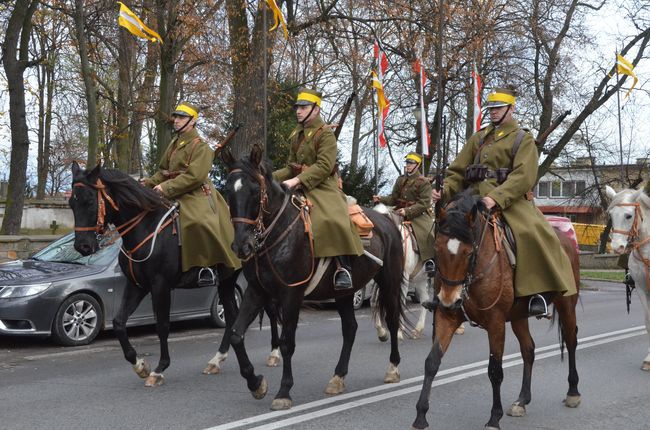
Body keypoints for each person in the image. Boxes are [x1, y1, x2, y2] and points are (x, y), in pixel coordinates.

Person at [431, 87, 577, 317]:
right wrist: (445, 190)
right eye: (491, 108)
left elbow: (523, 176)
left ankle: (537, 292)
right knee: (446, 230)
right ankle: (440, 287)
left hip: (510, 200)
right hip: (473, 197)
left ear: (511, 109)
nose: (493, 112)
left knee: (532, 232)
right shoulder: (479, 138)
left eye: (498, 108)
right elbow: (457, 171)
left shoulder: (522, 138)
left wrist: (495, 197)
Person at [273, 88, 364, 290]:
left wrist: (297, 180)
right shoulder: (297, 135)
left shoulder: (326, 134)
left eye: (303, 107)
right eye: (297, 107)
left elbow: (324, 166)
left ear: (315, 109)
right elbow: (290, 166)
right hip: (298, 183)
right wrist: (268, 178)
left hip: (323, 186)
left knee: (332, 218)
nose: (298, 111)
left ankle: (343, 267)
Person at [142, 101, 240, 286]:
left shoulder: (200, 146)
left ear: (193, 120)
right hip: (173, 191)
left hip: (195, 194)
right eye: (176, 117)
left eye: (181, 117)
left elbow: (195, 176)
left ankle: (206, 268)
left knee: (199, 222)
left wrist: (166, 188)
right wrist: (147, 183)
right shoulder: (174, 143)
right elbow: (163, 171)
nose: (176, 120)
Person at [372, 152, 435, 275]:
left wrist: (407, 211)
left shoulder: (424, 182)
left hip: (418, 215)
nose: (408, 165)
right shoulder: (401, 180)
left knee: (427, 234)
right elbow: (393, 198)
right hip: (399, 211)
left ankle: (429, 261)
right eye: (407, 163)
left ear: (418, 165)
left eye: (411, 163)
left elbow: (424, 204)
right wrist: (380, 199)